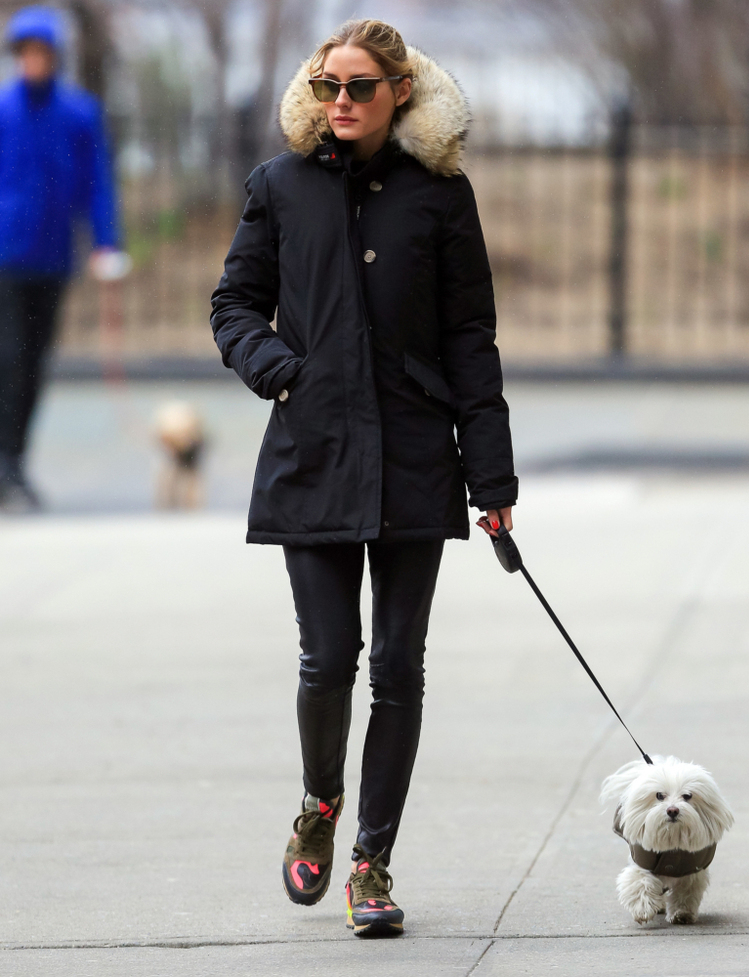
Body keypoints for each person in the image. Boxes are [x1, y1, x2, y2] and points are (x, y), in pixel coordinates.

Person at [211, 19, 517, 937]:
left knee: (397, 668)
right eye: (327, 84)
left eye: (360, 86)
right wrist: (283, 369)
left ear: (401, 95)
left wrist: (491, 476)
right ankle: (318, 803)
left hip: (419, 459)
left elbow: (471, 338)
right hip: (313, 457)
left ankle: (372, 862)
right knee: (327, 656)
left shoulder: (441, 196)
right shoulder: (278, 186)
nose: (340, 100)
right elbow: (233, 305)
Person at [0, 6, 119, 511]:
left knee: (33, 363)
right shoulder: (3, 109)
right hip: (4, 255)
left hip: (52, 256)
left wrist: (106, 242)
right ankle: (4, 462)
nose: (34, 61)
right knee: (7, 357)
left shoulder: (79, 113)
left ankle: (15, 461)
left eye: (41, 52)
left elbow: (98, 184)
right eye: (25, 52)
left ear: (55, 56)